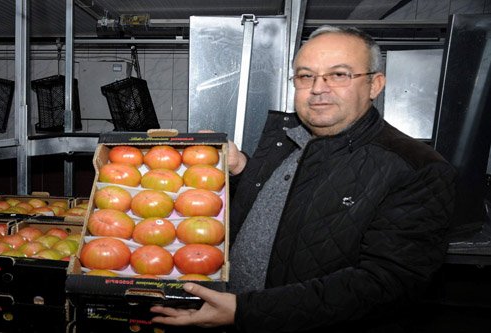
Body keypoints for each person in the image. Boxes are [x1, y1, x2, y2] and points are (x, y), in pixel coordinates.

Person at [150, 25, 456, 332]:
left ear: (375, 84)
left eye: (338, 75)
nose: (318, 88)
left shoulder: (417, 168)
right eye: (305, 75)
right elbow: (280, 210)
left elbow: (387, 284)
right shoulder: (287, 139)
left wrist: (247, 310)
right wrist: (241, 168)